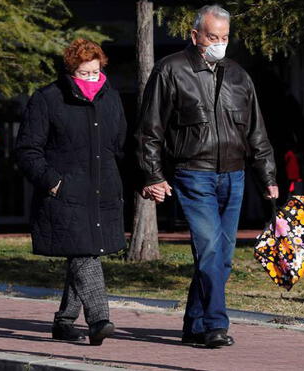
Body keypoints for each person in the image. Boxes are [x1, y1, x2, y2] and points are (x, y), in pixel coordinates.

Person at [135, 5, 278, 348]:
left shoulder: (239, 75)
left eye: (225, 37)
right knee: (211, 249)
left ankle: (193, 324)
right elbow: (149, 129)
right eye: (213, 37)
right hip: (193, 174)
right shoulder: (170, 70)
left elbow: (256, 131)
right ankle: (216, 324)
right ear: (195, 35)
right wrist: (153, 175)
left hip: (234, 175)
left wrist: (268, 177)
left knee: (222, 256)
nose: (219, 43)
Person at [15, 39, 126, 346]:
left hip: (102, 192)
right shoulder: (47, 99)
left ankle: (64, 322)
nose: (91, 78)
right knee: (84, 253)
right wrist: (53, 181)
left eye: (95, 72)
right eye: (83, 73)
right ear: (70, 71)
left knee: (84, 251)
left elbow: (118, 145)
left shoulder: (111, 99)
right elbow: (27, 150)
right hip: (65, 194)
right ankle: (99, 319)